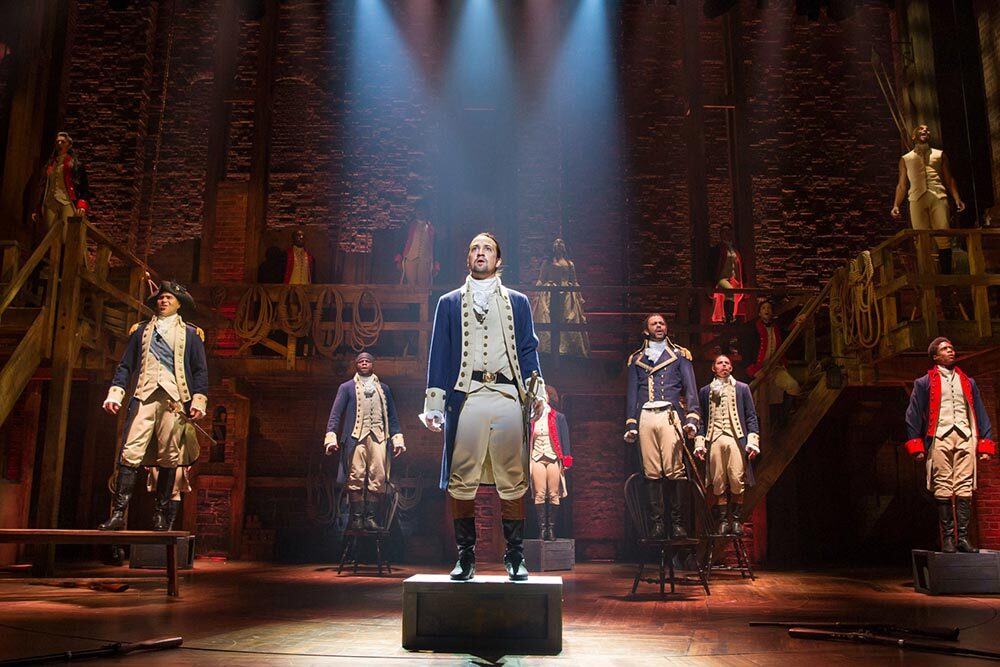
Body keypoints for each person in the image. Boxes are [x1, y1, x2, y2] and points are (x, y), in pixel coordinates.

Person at [421, 232, 545, 581]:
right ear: (468, 258)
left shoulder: (518, 302)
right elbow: (440, 354)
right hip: (468, 394)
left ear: (498, 259)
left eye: (487, 248)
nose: (480, 252)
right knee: (462, 476)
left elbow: (528, 349)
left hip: (507, 394)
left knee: (513, 476)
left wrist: (537, 392)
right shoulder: (448, 302)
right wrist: (434, 402)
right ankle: (466, 557)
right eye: (474, 248)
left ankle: (515, 557)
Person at [99, 281, 208, 531]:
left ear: (179, 303)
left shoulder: (191, 334)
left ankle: (160, 514)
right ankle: (118, 514)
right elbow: (126, 365)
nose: (164, 301)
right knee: (130, 452)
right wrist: (116, 393)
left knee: (169, 456)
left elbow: (200, 370)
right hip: (144, 396)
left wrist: (199, 400)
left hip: (174, 400)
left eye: (169, 298)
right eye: (161, 298)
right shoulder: (140, 331)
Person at [904, 337, 994, 553]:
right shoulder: (924, 382)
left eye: (952, 348)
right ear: (936, 357)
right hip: (940, 438)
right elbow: (914, 413)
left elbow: (980, 412)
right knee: (943, 487)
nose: (951, 351)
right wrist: (916, 445)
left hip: (965, 437)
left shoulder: (968, 382)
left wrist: (985, 444)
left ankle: (962, 538)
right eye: (945, 349)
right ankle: (948, 539)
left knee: (964, 486)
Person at [624, 313, 700, 539]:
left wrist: (692, 418)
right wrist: (631, 422)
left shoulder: (679, 355)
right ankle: (657, 523)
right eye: (654, 323)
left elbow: (691, 388)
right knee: (651, 470)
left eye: (662, 323)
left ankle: (677, 523)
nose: (659, 326)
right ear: (646, 330)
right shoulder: (636, 358)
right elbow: (632, 393)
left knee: (675, 469)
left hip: (669, 413)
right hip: (646, 414)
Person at [324, 352, 405, 530]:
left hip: (379, 437)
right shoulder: (346, 387)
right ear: (356, 365)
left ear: (372, 364)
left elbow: (392, 416)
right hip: (355, 437)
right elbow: (336, 414)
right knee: (355, 476)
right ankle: (356, 518)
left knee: (378, 476)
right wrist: (331, 436)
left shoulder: (384, 388)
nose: (364, 364)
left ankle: (370, 518)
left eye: (367, 361)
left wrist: (397, 438)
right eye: (361, 361)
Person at [694, 355, 759, 536]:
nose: (724, 365)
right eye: (720, 363)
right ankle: (723, 520)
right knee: (718, 479)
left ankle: (736, 520)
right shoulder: (705, 391)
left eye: (727, 363)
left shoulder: (742, 388)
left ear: (731, 367)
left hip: (735, 437)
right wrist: (700, 442)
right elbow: (701, 420)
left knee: (737, 478)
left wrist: (752, 442)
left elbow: (751, 416)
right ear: (713, 368)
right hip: (714, 438)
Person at [891, 124, 965, 274]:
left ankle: (946, 276)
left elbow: (949, 179)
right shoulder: (906, 159)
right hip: (917, 198)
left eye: (927, 129)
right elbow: (901, 185)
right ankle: (928, 277)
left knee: (944, 235)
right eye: (921, 129)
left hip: (938, 196)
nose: (925, 130)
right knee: (922, 238)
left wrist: (957, 198)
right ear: (914, 136)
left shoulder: (940, 154)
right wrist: (896, 205)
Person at [532, 238, 590, 357]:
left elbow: (574, 281)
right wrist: (537, 293)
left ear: (564, 247)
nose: (558, 244)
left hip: (567, 294)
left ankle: (567, 348)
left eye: (561, 242)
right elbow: (541, 279)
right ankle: (548, 348)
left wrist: (579, 297)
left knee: (567, 317)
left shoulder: (570, 264)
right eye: (556, 242)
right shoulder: (547, 263)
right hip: (549, 293)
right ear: (553, 246)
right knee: (547, 317)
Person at [529, 386, 572, 541]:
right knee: (539, 494)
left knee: (554, 494)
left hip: (553, 457)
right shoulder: (531, 419)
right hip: (537, 457)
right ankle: (542, 529)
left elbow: (564, 438)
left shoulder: (557, 417)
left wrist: (566, 458)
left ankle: (551, 528)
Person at [743, 300, 802, 413]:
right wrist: (754, 370)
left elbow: (787, 334)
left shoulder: (777, 328)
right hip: (759, 370)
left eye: (769, 308)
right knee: (757, 403)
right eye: (764, 308)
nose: (766, 310)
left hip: (775, 368)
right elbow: (746, 351)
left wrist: (797, 322)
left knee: (793, 386)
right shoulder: (752, 330)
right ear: (759, 313)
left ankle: (784, 417)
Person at [34, 131, 91, 229]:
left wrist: (82, 205)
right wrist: (37, 208)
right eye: (57, 142)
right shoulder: (49, 165)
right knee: (50, 234)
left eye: (63, 142)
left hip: (67, 201)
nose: (59, 144)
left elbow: (84, 188)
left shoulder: (76, 165)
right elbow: (44, 187)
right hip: (50, 202)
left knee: (67, 233)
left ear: (69, 145)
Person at [708, 223, 745, 325]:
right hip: (722, 278)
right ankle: (729, 318)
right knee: (730, 291)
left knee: (734, 295)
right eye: (724, 232)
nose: (727, 234)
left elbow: (738, 264)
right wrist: (712, 279)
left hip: (733, 278)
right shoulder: (718, 249)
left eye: (729, 231)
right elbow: (713, 264)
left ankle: (730, 316)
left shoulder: (734, 250)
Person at [399, 203, 435, 287]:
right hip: (410, 257)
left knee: (423, 285)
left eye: (422, 210)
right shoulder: (409, 225)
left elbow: (435, 245)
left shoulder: (431, 227)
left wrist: (436, 263)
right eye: (418, 210)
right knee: (411, 285)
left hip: (425, 259)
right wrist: (399, 258)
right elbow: (402, 241)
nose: (420, 212)